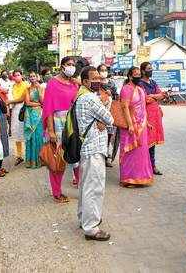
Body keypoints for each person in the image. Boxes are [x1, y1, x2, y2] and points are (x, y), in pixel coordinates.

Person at [76, 66, 114, 241]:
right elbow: (110, 118)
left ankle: (84, 217)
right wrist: (103, 120)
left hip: (88, 148)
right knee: (94, 187)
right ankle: (91, 227)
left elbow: (104, 119)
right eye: (95, 78)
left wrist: (102, 120)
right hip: (94, 148)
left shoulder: (81, 95)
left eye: (100, 77)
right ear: (85, 81)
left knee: (86, 186)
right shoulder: (90, 98)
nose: (99, 80)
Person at [42, 56, 79, 203]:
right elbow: (48, 109)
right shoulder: (52, 83)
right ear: (62, 66)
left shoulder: (74, 84)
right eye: (69, 64)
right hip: (57, 123)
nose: (71, 67)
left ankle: (83, 188)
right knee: (58, 159)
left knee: (76, 156)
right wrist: (51, 131)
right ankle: (57, 192)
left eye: (73, 65)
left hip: (72, 123)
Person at [119, 67, 153, 187]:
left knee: (141, 151)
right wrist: (130, 125)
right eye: (136, 74)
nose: (138, 76)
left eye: (139, 74)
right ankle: (128, 178)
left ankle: (141, 177)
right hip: (131, 126)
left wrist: (147, 122)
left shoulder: (140, 89)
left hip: (142, 125)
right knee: (130, 152)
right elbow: (125, 107)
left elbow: (143, 107)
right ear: (130, 76)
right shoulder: (126, 89)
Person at [139, 62, 165, 176]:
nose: (151, 70)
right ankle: (145, 166)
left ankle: (152, 165)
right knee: (145, 141)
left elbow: (161, 95)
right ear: (143, 71)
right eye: (149, 69)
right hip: (146, 115)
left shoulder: (153, 82)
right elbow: (145, 99)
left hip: (155, 115)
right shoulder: (140, 84)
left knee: (152, 142)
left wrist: (153, 96)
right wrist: (156, 96)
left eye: (151, 68)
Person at [7, 69, 29, 166]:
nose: (17, 77)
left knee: (26, 131)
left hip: (24, 110)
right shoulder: (12, 86)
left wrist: (10, 102)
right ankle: (19, 156)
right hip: (15, 110)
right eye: (15, 75)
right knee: (16, 133)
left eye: (18, 75)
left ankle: (29, 155)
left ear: (22, 75)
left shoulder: (26, 85)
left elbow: (22, 99)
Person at [24, 71, 44, 169]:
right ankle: (31, 161)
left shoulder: (41, 87)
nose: (32, 78)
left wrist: (38, 89)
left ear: (37, 77)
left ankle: (40, 159)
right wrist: (38, 104)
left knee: (39, 135)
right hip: (30, 115)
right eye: (30, 76)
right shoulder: (27, 89)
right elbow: (27, 103)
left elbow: (43, 101)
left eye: (34, 76)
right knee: (31, 136)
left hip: (38, 115)